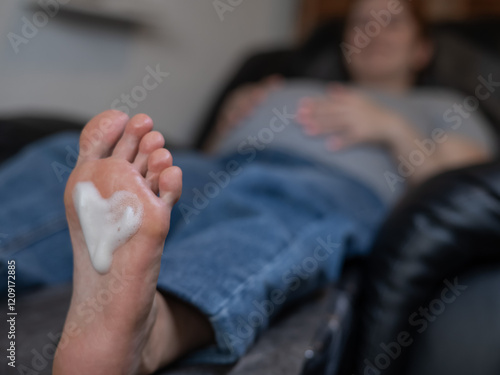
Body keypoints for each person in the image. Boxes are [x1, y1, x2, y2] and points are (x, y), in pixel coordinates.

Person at [0, 0, 495, 374]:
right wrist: (238, 113)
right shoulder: (286, 84)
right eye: (361, 20)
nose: (373, 30)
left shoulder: (441, 107)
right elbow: (207, 150)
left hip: (322, 182)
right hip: (209, 168)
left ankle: (142, 333)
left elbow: (464, 184)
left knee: (266, 213)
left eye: (392, 21)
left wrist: (390, 127)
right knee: (62, 159)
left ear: (423, 48)